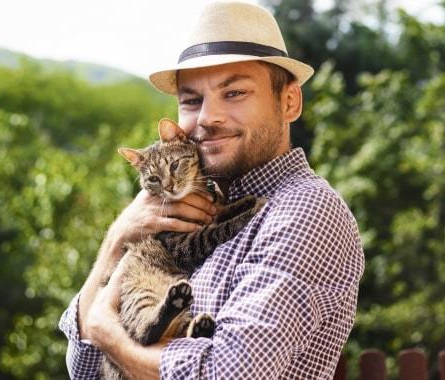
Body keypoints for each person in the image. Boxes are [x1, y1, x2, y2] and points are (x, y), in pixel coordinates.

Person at [59, 1, 364, 379]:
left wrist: (110, 336)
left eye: (234, 93)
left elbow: (228, 373)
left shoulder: (303, 210)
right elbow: (85, 370)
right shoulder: (184, 206)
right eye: (191, 100)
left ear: (289, 101)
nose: (207, 117)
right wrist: (116, 241)